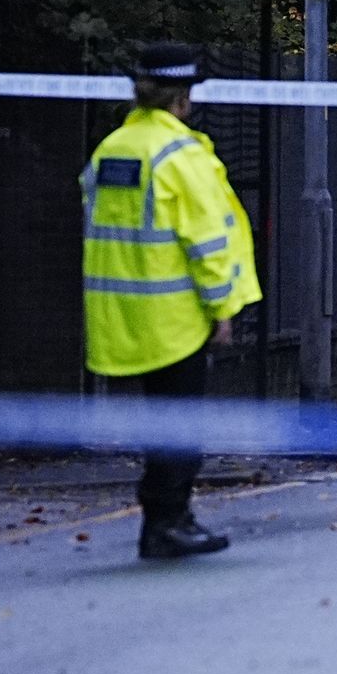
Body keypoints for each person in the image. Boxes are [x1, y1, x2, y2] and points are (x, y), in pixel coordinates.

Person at [81, 44, 261, 559]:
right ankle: (169, 521)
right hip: (176, 314)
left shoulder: (112, 149)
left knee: (160, 421)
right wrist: (222, 305)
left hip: (121, 311)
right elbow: (205, 240)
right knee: (181, 423)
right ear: (182, 98)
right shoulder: (180, 156)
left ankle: (160, 521)